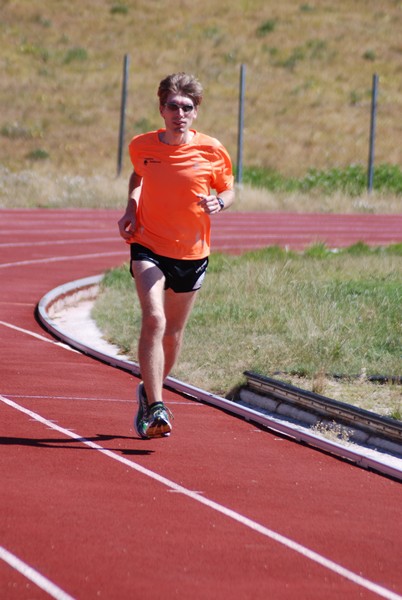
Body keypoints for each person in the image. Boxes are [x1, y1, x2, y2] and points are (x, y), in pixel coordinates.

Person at [118, 72, 235, 439]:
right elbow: (138, 177)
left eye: (187, 107)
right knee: (154, 321)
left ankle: (149, 391)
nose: (179, 113)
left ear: (196, 112)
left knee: (174, 334)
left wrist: (220, 202)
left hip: (192, 252)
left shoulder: (212, 150)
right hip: (148, 244)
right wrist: (131, 209)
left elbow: (228, 189)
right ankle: (156, 407)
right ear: (161, 108)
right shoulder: (142, 146)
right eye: (173, 105)